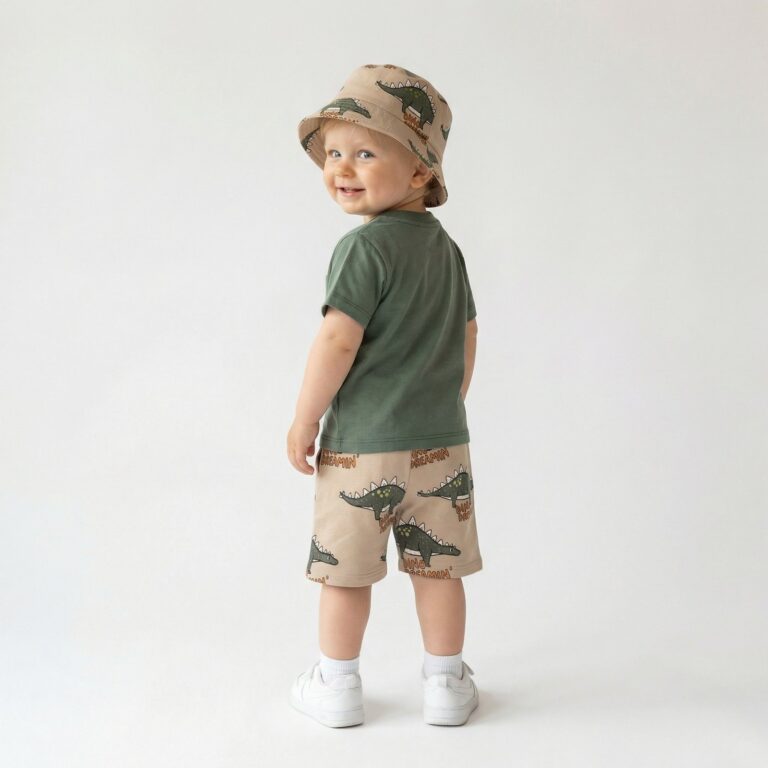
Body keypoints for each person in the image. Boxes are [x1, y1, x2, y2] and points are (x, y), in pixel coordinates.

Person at [287, 63, 482, 727]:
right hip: (442, 446)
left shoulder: (363, 249)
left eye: (366, 153)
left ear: (421, 171)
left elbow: (337, 340)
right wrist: (449, 399)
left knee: (344, 574)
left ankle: (337, 685)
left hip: (361, 451)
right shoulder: (448, 252)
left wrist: (305, 417)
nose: (342, 167)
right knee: (438, 571)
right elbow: (468, 333)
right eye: (333, 153)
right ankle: (446, 683)